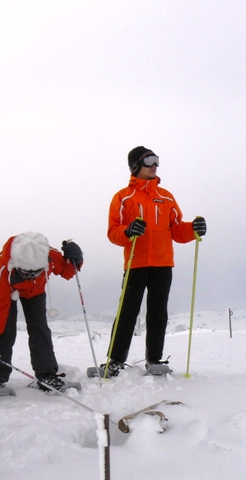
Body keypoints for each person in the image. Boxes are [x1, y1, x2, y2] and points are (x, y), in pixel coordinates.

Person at [103, 146, 207, 377]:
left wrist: (193, 229)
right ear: (135, 166)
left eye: (156, 160)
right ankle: (115, 360)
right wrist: (128, 230)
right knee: (127, 312)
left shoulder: (166, 197)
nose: (155, 165)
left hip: (162, 264)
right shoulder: (123, 197)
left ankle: (155, 360)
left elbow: (176, 230)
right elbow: (113, 232)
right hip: (135, 263)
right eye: (149, 160)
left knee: (158, 313)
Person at [0, 232, 84, 394]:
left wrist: (76, 258)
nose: (31, 276)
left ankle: (46, 374)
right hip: (9, 291)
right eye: (26, 273)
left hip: (36, 292)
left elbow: (67, 271)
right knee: (5, 329)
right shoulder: (4, 268)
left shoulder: (50, 255)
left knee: (40, 329)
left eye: (37, 272)